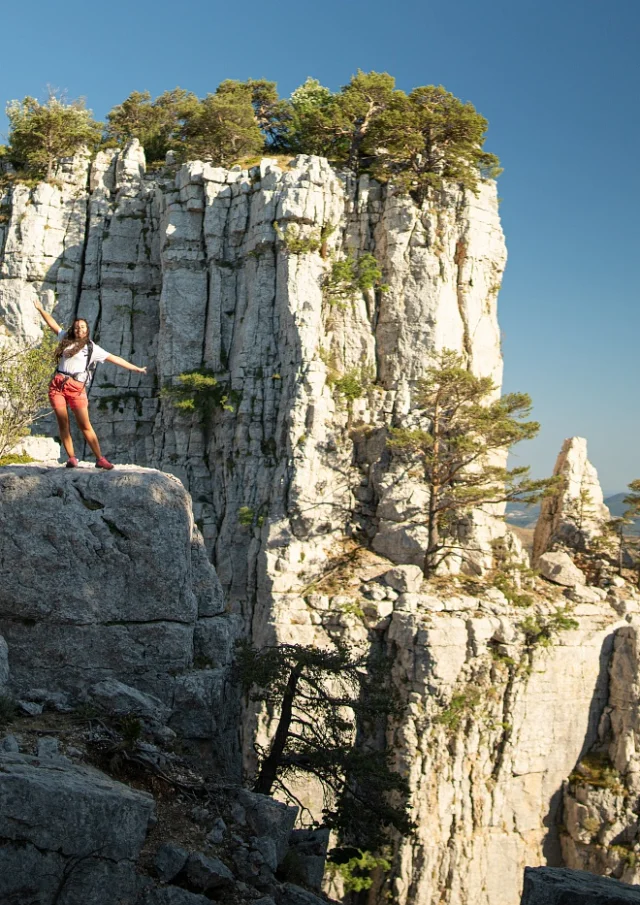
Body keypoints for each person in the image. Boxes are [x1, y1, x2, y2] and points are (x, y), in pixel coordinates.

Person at [34, 299, 147, 469]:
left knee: (84, 425)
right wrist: (41, 309)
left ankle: (100, 459)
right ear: (74, 329)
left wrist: (136, 368)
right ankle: (72, 458)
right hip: (58, 385)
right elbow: (53, 324)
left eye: (83, 327)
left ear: (87, 330)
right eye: (77, 327)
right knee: (63, 422)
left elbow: (114, 358)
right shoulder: (65, 338)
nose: (79, 329)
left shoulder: (92, 348)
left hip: (76, 388)